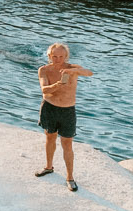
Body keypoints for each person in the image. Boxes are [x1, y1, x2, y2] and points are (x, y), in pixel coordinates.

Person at [35, 42, 94, 192]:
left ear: (66, 56)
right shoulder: (44, 70)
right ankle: (48, 167)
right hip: (49, 108)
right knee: (50, 138)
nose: (58, 59)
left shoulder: (72, 68)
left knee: (67, 143)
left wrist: (73, 72)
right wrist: (59, 84)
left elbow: (89, 73)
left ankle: (70, 177)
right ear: (49, 56)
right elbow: (44, 90)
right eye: (54, 56)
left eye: (61, 56)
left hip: (67, 110)